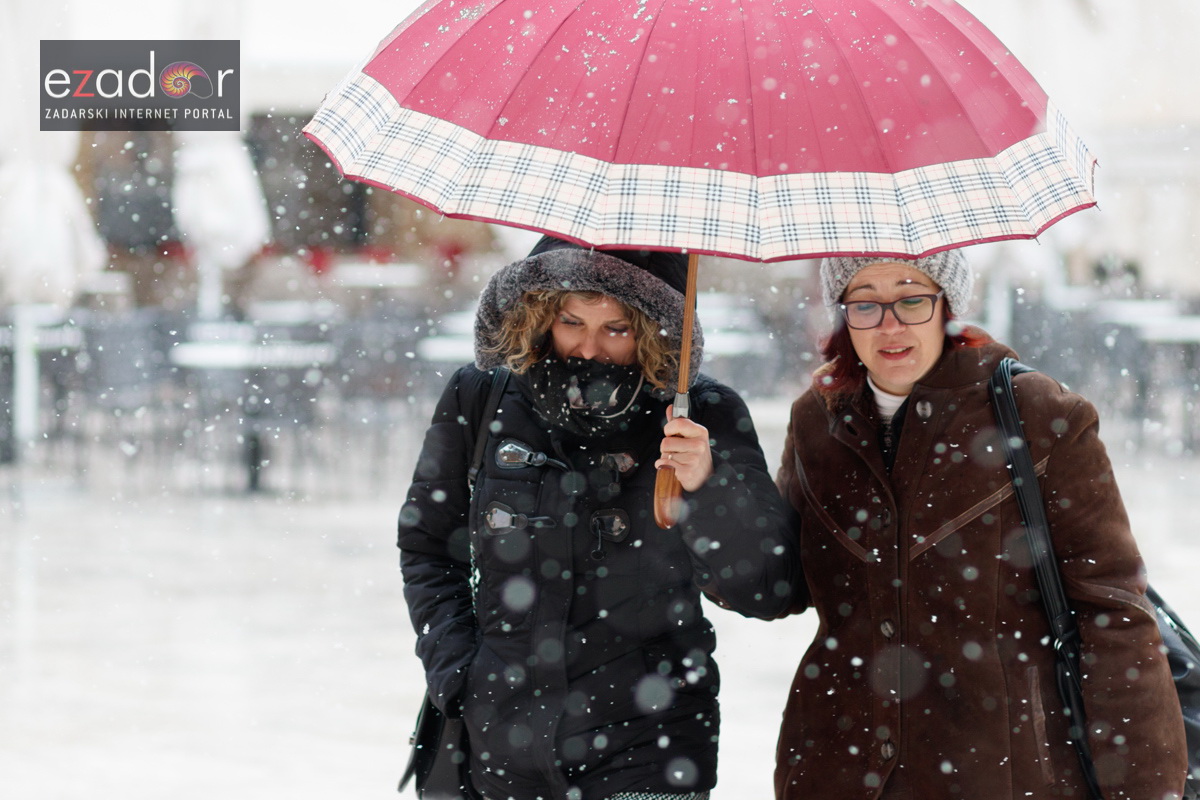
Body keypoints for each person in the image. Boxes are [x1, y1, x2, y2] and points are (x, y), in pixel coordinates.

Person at [772, 250, 1188, 800]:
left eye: (912, 300)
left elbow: (1112, 613)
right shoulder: (816, 419)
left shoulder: (1038, 414)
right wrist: (708, 489)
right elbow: (776, 586)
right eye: (865, 304)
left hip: (1000, 771)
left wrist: (1142, 789)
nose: (890, 325)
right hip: (838, 770)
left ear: (947, 305)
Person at [397, 237, 797, 800]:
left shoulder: (703, 413)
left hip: (652, 748)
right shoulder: (480, 396)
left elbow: (768, 589)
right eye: (571, 322)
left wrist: (709, 484)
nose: (588, 348)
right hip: (501, 746)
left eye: (616, 328)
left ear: (654, 329)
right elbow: (429, 546)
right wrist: (460, 673)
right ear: (541, 314)